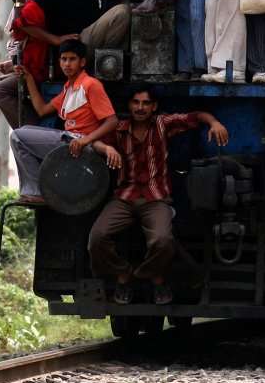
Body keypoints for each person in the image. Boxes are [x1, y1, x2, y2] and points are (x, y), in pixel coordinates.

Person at [87, 84, 229, 305]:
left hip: (156, 199)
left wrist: (215, 123)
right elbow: (94, 140)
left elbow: (197, 116)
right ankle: (123, 273)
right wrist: (107, 149)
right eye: (136, 102)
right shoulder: (119, 128)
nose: (140, 108)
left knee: (163, 241)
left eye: (145, 103)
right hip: (124, 197)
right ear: (129, 105)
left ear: (154, 107)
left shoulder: (163, 124)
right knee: (97, 238)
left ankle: (149, 275)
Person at [9, 40, 118, 203]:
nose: (67, 64)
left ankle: (36, 192)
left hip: (81, 145)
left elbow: (112, 121)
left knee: (17, 137)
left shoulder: (90, 85)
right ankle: (38, 189)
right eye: (63, 59)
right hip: (70, 140)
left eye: (72, 59)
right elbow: (42, 109)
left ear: (82, 62)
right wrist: (29, 78)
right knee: (22, 132)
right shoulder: (69, 87)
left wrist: (84, 141)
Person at [0, 0, 38, 128]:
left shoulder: (30, 0)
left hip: (34, 66)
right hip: (21, 64)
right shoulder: (17, 3)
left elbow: (21, 33)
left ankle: (28, 130)